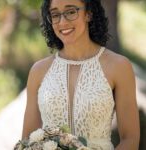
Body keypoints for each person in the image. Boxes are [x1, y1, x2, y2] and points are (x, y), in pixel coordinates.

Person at [22, 0, 140, 149]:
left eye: (71, 12)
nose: (62, 21)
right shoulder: (38, 71)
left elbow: (130, 139)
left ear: (88, 13)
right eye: (55, 14)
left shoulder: (119, 67)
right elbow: (27, 139)